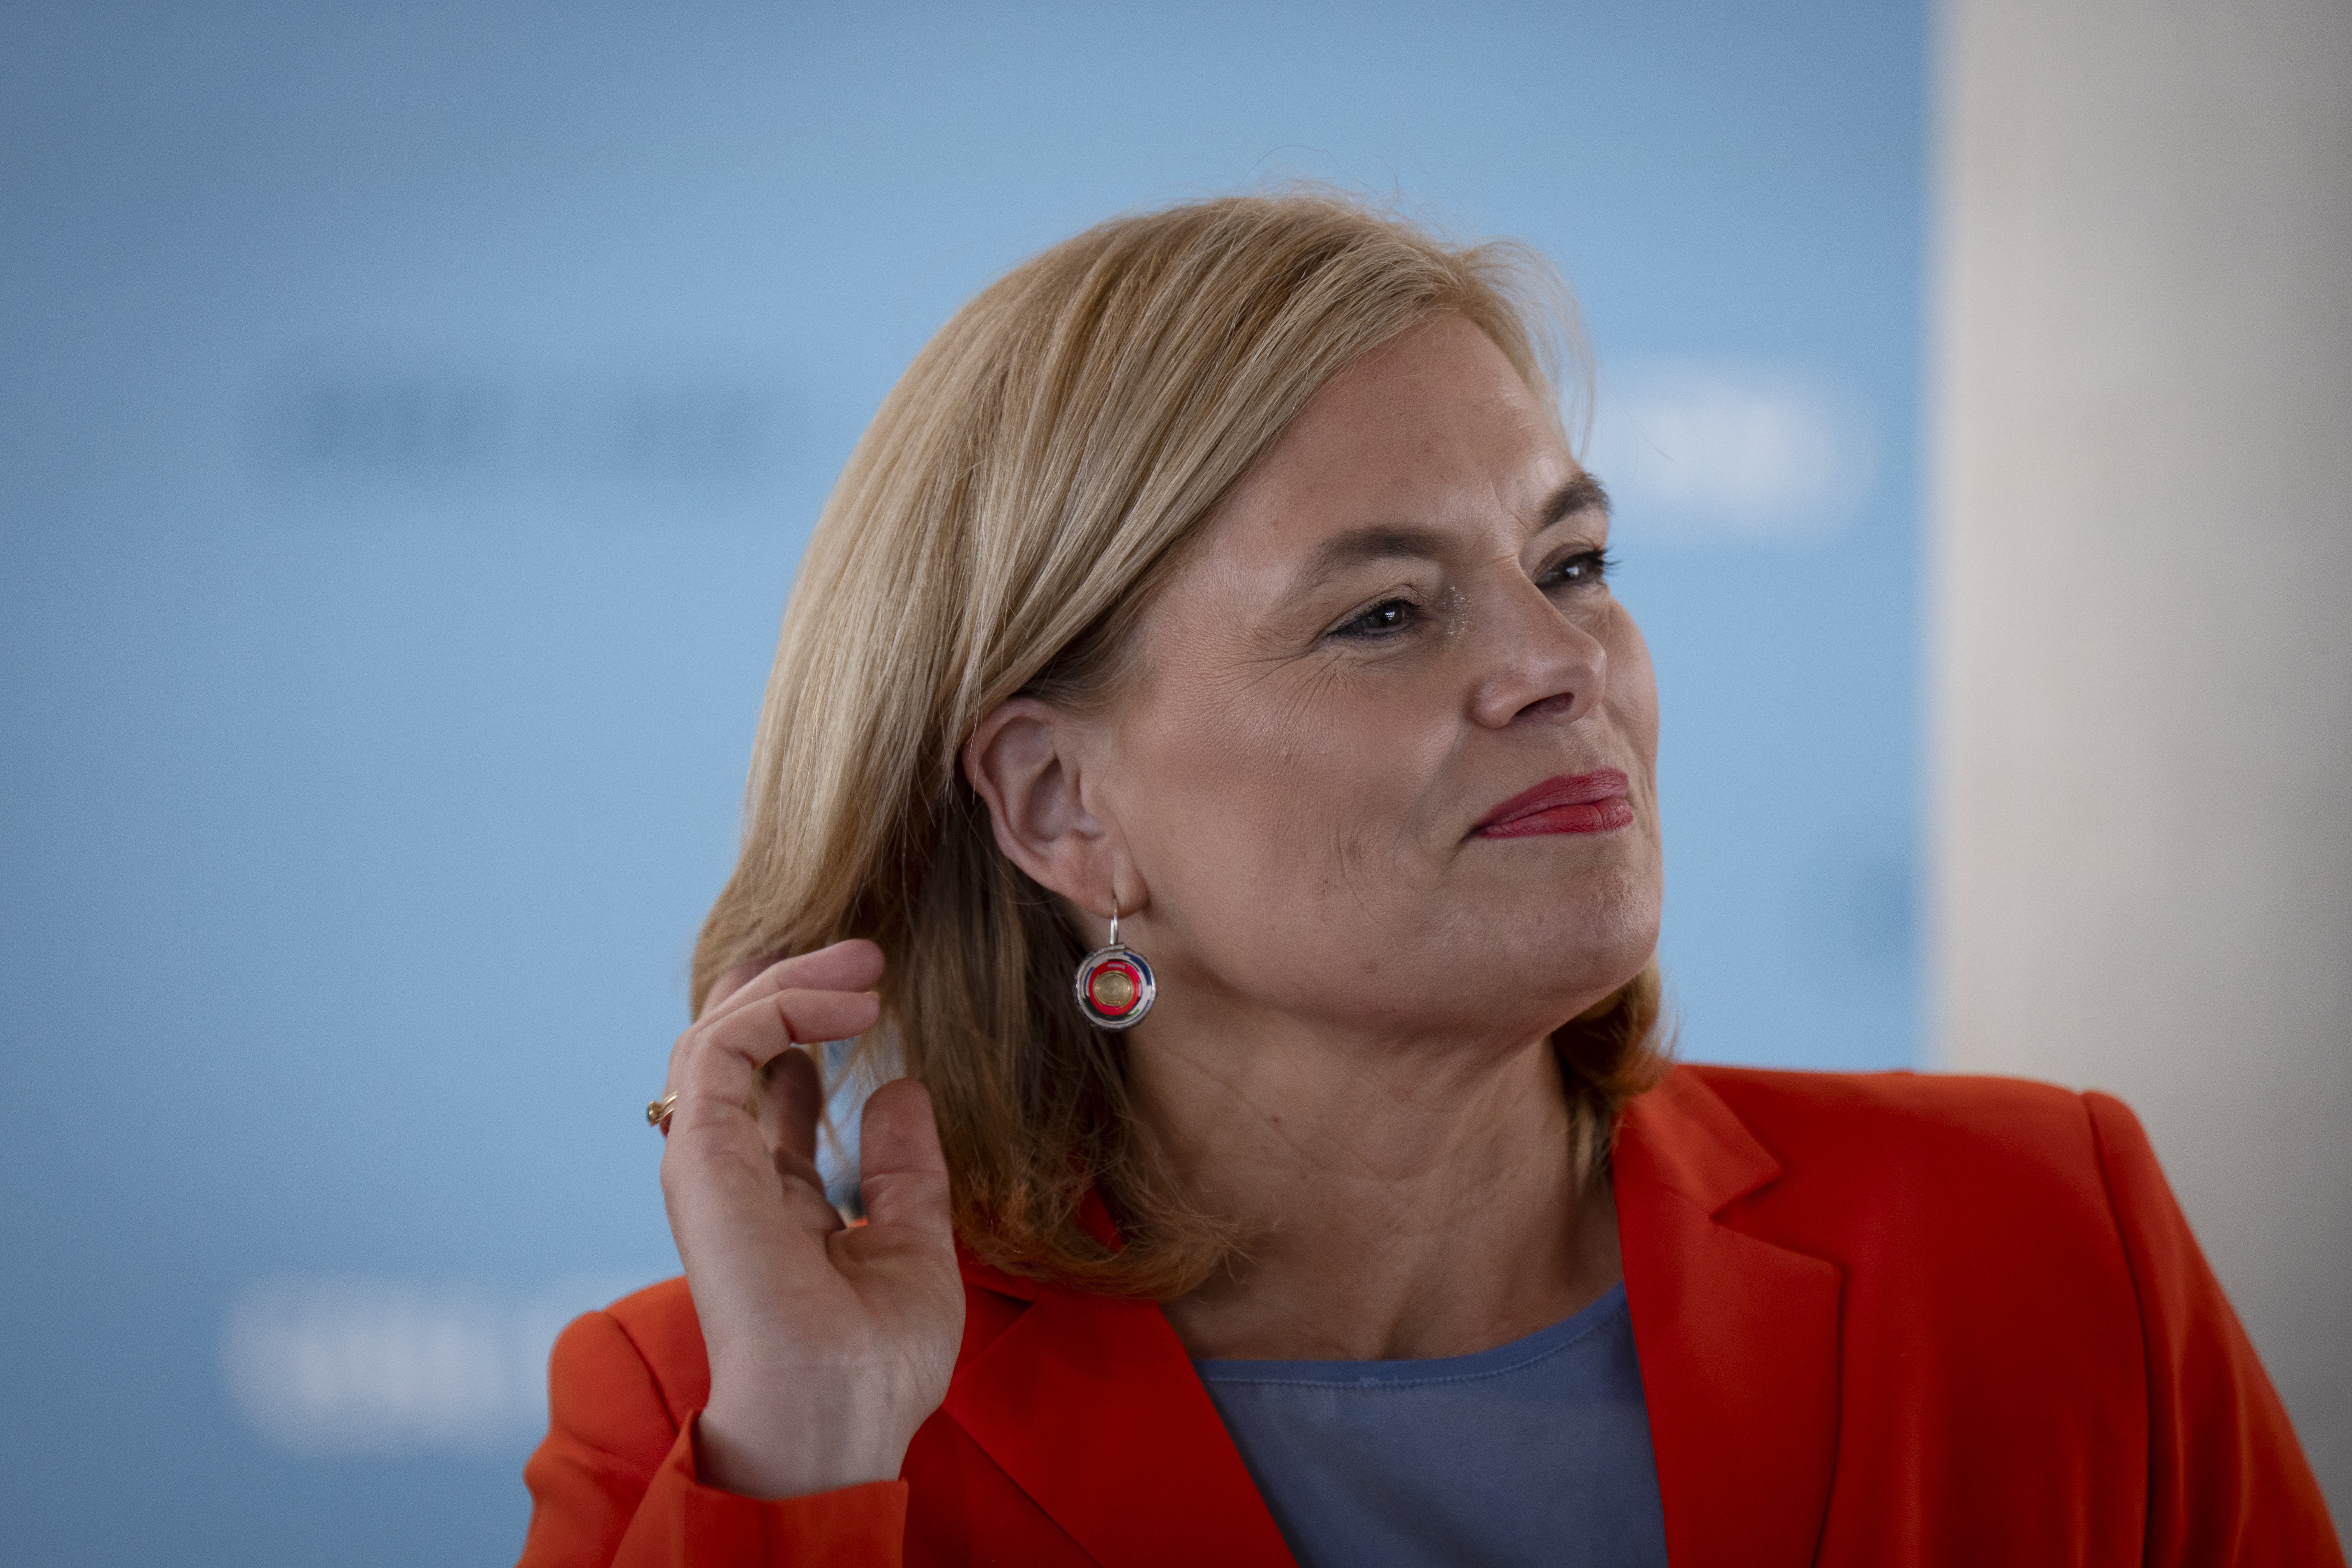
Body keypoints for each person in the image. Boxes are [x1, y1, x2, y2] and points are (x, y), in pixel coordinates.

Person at [515, 193, 2342, 1568]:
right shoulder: (719, 1414)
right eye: (1385, 612)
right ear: (1065, 807)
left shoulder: (2042, 1238)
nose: (1560, 662)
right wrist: (813, 1452)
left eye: (1575, 562)